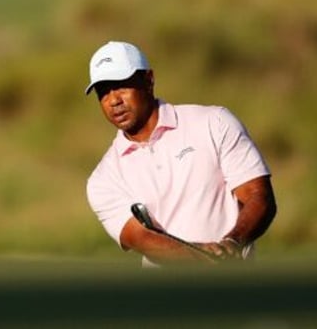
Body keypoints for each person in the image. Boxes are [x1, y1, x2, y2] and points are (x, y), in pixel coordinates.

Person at [85, 41, 276, 266]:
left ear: (148, 80)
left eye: (121, 86)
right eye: (103, 92)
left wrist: (232, 243)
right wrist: (203, 258)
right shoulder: (104, 179)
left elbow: (258, 196)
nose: (114, 100)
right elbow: (142, 238)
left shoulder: (213, 122)